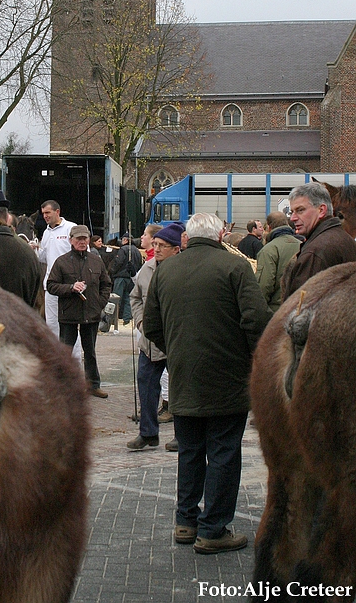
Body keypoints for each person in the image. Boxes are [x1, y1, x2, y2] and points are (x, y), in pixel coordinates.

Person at [143, 213, 271, 555]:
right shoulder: (235, 267)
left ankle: (186, 521)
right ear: (220, 235)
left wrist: (177, 348)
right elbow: (256, 319)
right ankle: (213, 529)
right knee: (224, 452)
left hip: (184, 374)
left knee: (190, 451)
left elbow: (151, 326)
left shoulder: (165, 269)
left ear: (187, 238)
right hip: (227, 376)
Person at [127, 222, 182, 452]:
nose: (156, 249)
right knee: (147, 387)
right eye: (156, 244)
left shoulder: (182, 269)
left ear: (176, 249)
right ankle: (148, 433)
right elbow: (135, 297)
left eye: (162, 245)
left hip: (174, 339)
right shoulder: (147, 267)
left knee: (179, 389)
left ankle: (182, 435)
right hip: (149, 341)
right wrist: (140, 321)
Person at [47, 225, 111, 398]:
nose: (82, 242)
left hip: (91, 314)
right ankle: (64, 386)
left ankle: (93, 385)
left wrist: (100, 303)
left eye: (84, 239)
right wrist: (70, 287)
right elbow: (50, 285)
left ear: (88, 240)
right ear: (71, 240)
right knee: (66, 351)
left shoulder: (96, 260)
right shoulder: (61, 261)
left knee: (90, 351)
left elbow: (106, 284)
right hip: (68, 315)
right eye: (78, 239)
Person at [283, 181, 356, 300]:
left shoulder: (316, 252)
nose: (293, 218)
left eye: (300, 210)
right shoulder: (344, 239)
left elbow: (300, 308)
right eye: (292, 212)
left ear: (321, 210)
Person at [37, 200, 77, 337]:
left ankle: (75, 358)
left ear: (57, 212)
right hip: (51, 287)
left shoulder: (71, 228)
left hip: (68, 286)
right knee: (52, 325)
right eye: (43, 214)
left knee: (70, 327)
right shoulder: (46, 233)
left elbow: (83, 253)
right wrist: (35, 250)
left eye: (48, 212)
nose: (45, 216)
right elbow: (44, 258)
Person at [255, 211, 300, 312]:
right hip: (300, 307)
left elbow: (265, 285)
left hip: (278, 311)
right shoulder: (303, 245)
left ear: (269, 227)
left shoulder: (269, 250)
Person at [108, 233, 142, 326]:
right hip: (131, 278)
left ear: (126, 240)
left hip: (121, 277)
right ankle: (127, 319)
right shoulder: (137, 251)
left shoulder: (123, 249)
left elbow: (119, 262)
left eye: (122, 239)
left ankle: (111, 320)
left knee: (115, 299)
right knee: (128, 299)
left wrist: (112, 271)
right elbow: (139, 264)